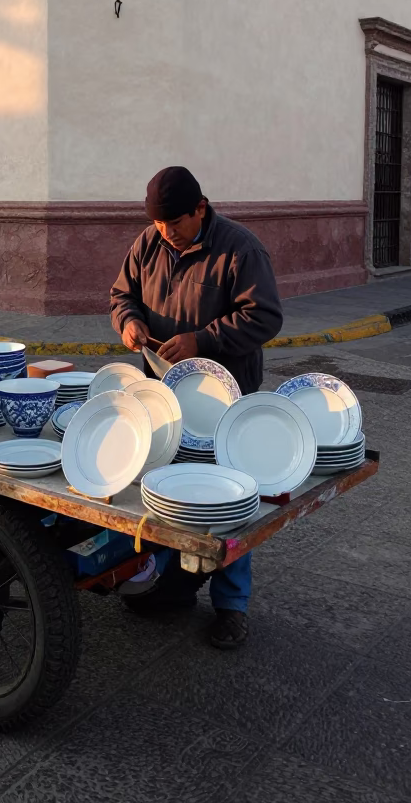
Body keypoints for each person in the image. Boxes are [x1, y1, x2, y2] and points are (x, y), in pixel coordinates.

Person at [110, 165, 284, 649]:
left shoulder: (240, 248)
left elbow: (265, 316)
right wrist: (127, 322)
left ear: (200, 209)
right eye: (159, 225)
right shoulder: (149, 242)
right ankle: (169, 582)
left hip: (224, 400)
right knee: (164, 488)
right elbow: (121, 294)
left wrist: (202, 340)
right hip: (164, 397)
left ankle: (232, 606)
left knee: (230, 501)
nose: (166, 234)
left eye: (176, 224)